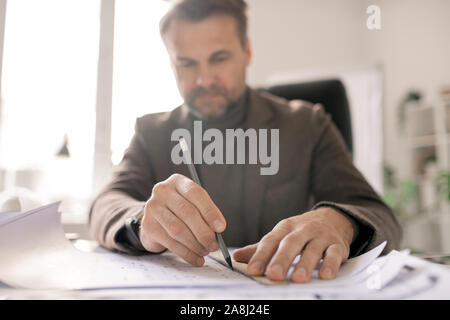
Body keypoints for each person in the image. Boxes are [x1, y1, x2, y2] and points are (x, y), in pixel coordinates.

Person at [89, 0, 402, 284]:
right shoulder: (152, 132)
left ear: (247, 52)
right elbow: (106, 203)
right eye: (186, 63)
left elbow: (379, 214)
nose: (204, 79)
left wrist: (341, 222)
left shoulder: (308, 125)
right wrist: (142, 221)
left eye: (219, 58)